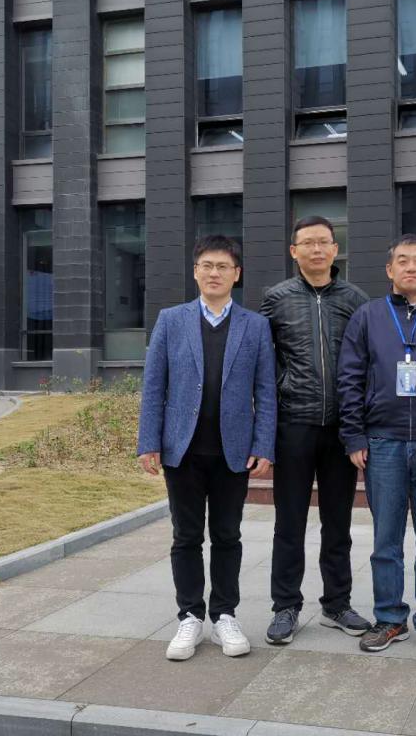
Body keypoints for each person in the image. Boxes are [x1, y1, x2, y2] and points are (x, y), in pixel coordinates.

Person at [137, 235, 276, 661]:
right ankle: (190, 616)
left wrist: (264, 445)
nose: (214, 273)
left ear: (237, 274)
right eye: (207, 266)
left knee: (228, 535)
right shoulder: (171, 320)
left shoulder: (255, 326)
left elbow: (266, 391)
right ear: (196, 272)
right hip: (182, 449)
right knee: (186, 535)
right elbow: (154, 385)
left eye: (223, 267)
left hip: (233, 451)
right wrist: (149, 441)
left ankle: (225, 615)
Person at [337, 233, 416, 661]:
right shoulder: (367, 317)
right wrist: (355, 435)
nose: (411, 267)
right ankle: (390, 618)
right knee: (386, 539)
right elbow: (350, 379)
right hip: (383, 442)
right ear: (390, 269)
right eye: (403, 261)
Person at [260, 215, 372, 644]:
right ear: (294, 251)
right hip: (294, 424)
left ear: (335, 248)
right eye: (308, 242)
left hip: (342, 429)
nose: (317, 249)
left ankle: (337, 604)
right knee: (289, 522)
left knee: (338, 522)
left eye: (324, 241)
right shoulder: (275, 299)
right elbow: (262, 361)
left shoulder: (355, 299)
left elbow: (368, 361)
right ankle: (285, 606)